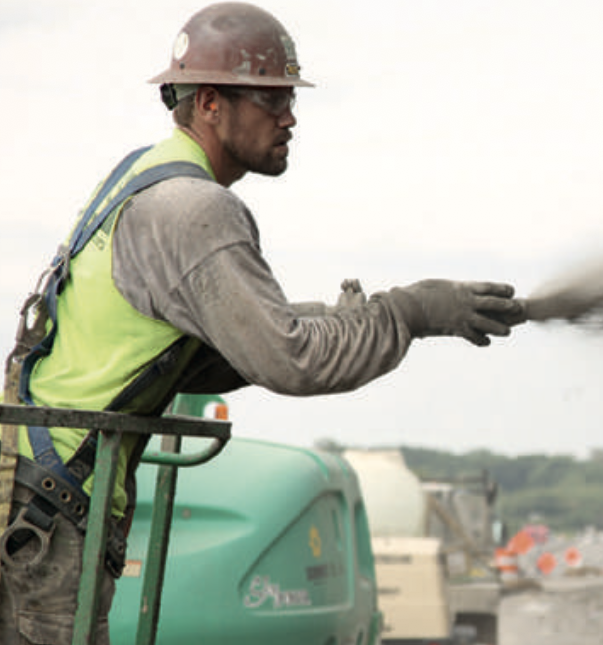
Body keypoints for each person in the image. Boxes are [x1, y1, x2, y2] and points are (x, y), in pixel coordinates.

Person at [0, 3, 525, 643]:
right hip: (59, 505)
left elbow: (225, 344)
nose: (290, 116)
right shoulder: (195, 211)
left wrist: (344, 316)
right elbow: (291, 359)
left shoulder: (141, 179)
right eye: (270, 99)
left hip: (42, 491)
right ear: (211, 103)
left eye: (288, 98)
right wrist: (406, 314)